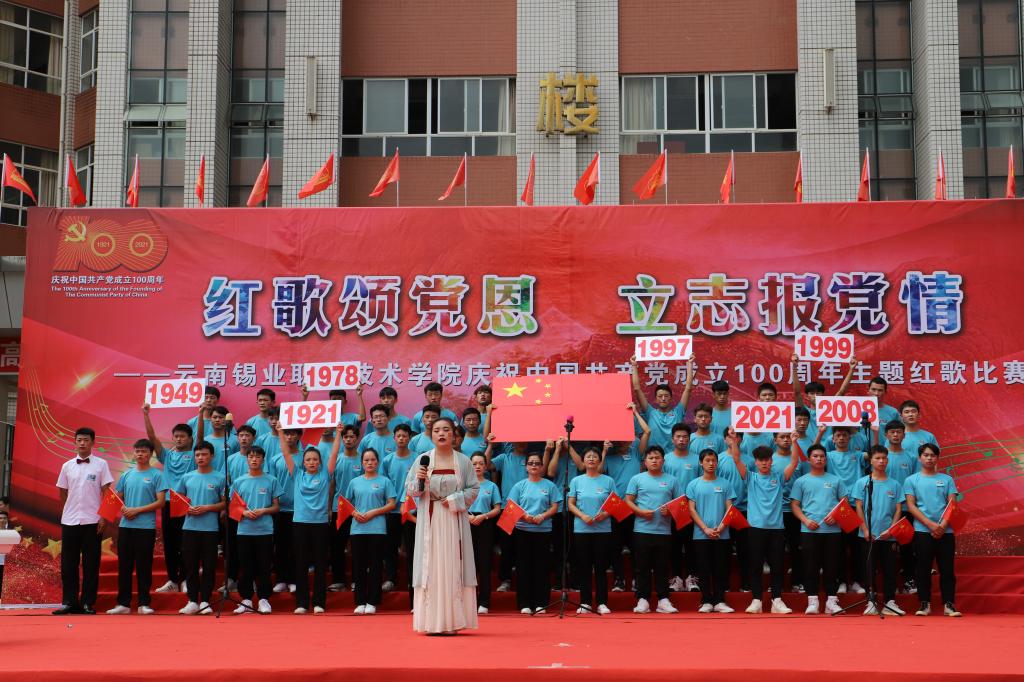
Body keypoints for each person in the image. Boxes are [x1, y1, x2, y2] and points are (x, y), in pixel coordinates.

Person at [407, 418, 480, 633]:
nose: (441, 433)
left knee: (453, 564)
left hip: (453, 519)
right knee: (431, 566)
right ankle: (431, 622)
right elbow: (410, 490)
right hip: (429, 520)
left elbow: (474, 489)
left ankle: (452, 621)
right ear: (431, 435)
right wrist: (419, 480)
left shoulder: (463, 461)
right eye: (437, 430)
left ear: (453, 434)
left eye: (446, 430)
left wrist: (456, 499)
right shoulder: (422, 460)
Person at [53, 427, 113, 615]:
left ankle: (87, 602)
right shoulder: (67, 466)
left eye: (86, 440)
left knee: (91, 564)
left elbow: (107, 492)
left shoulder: (101, 464)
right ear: (75, 441)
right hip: (70, 520)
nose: (82, 443)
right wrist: (68, 510)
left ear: (93, 442)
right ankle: (69, 602)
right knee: (68, 564)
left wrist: (104, 516)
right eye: (79, 440)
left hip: (93, 520)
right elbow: (63, 491)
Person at [107, 439, 165, 615]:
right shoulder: (127, 474)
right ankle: (123, 604)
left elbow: (161, 502)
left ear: (150, 454)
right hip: (126, 526)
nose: (140, 454)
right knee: (124, 565)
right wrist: (123, 508)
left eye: (144, 451)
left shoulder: (157, 475)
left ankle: (143, 603)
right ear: (133, 453)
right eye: (137, 451)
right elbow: (117, 498)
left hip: (146, 527)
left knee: (144, 566)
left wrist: (137, 510)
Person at [903, 443, 961, 617]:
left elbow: (952, 504)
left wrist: (942, 525)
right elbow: (911, 506)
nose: (929, 458)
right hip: (922, 531)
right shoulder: (911, 480)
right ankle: (924, 603)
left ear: (937, 458)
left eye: (933, 455)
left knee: (947, 569)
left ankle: (949, 604)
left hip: (946, 531)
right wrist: (930, 524)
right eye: (926, 455)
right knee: (923, 568)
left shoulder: (947, 479)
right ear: (919, 458)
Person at [625, 446, 683, 614]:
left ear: (663, 461)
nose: (654, 460)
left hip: (664, 531)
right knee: (642, 566)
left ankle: (663, 599)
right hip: (641, 529)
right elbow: (628, 500)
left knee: (662, 566)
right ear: (645, 461)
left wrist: (670, 510)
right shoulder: (637, 479)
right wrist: (640, 512)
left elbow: (680, 503)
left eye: (657, 458)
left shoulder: (672, 480)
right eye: (651, 458)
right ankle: (642, 599)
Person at [744, 440, 800, 614]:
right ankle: (756, 600)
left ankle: (777, 600)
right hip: (755, 528)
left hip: (776, 528)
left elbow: (794, 462)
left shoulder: (779, 477)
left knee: (777, 566)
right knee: (755, 566)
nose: (764, 463)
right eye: (760, 460)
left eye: (767, 459)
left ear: (771, 461)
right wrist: (733, 441)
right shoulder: (750, 477)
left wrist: (794, 442)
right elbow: (736, 459)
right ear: (755, 462)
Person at [279, 433, 331, 614]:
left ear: (320, 462)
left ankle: (319, 602)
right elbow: (286, 453)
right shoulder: (297, 474)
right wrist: (280, 431)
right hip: (300, 523)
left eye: (315, 459)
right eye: (308, 459)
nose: (311, 462)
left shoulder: (325, 474)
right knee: (300, 563)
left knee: (320, 564)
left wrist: (339, 433)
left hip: (320, 524)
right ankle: (301, 603)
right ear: (303, 462)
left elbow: (334, 454)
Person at [790, 443, 845, 615]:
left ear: (826, 460)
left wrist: (836, 515)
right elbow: (795, 505)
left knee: (832, 566)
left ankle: (831, 601)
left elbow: (844, 503)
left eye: (822, 456)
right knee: (810, 566)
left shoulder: (836, 480)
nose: (819, 459)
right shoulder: (801, 481)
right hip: (809, 531)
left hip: (833, 531)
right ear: (809, 459)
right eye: (815, 456)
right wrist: (805, 520)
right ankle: (812, 601)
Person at [145, 405, 194, 593]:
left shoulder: (195, 455)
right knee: (170, 544)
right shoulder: (167, 455)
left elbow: (199, 436)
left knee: (186, 543)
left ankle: (186, 579)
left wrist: (200, 413)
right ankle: (173, 579)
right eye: (176, 436)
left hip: (186, 503)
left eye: (183, 436)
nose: (179, 439)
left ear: (190, 438)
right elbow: (152, 438)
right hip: (167, 502)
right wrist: (146, 414)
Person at [852, 445, 905, 616]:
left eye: (884, 458)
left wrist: (892, 529)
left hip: (889, 535)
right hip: (868, 535)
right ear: (871, 461)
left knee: (890, 569)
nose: (881, 461)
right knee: (869, 569)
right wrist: (865, 529)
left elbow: (898, 509)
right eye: (877, 458)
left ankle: (890, 602)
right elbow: (859, 507)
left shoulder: (895, 484)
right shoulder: (863, 482)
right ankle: (871, 601)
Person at [601, 409, 650, 592]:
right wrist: (604, 451)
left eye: (625, 438)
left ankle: (637, 579)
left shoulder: (636, 452)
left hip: (634, 507)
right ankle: (619, 580)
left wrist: (635, 412)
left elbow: (647, 431)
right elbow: (598, 471)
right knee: (615, 546)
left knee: (636, 546)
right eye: (619, 439)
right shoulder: (609, 457)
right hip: (615, 507)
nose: (623, 441)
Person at [175, 440, 226, 615]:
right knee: (190, 566)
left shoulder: (220, 478)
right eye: (197, 455)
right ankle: (192, 600)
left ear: (212, 456)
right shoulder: (187, 477)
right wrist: (186, 508)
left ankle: (205, 601)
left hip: (210, 529)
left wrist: (207, 508)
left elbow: (225, 503)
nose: (200, 457)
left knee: (209, 566)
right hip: (189, 528)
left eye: (204, 454)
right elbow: (178, 500)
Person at [506, 451, 559, 615]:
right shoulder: (519, 486)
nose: (534, 466)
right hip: (523, 530)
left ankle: (541, 603)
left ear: (542, 466)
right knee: (524, 567)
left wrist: (543, 516)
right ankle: (524, 603)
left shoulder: (549, 485)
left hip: (543, 530)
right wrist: (524, 516)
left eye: (537, 463)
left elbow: (555, 506)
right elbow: (511, 505)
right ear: (526, 466)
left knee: (542, 567)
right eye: (531, 463)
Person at [346, 448, 397, 615]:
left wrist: (374, 512)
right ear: (362, 463)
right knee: (358, 566)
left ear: (378, 462)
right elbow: (345, 503)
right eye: (366, 460)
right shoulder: (354, 482)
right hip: (357, 529)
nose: (369, 463)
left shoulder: (384, 481)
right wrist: (354, 513)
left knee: (375, 565)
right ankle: (360, 601)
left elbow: (392, 504)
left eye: (373, 460)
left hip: (377, 529)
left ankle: (373, 601)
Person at [567, 446, 617, 615]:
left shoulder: (608, 481)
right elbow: (570, 504)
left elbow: (615, 503)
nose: (591, 459)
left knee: (601, 567)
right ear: (583, 460)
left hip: (603, 529)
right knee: (584, 567)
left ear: (599, 460)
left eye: (595, 456)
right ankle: (585, 602)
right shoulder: (576, 481)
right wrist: (582, 516)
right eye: (588, 456)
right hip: (582, 529)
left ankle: (602, 602)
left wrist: (605, 514)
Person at [819, 425, 867, 595]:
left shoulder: (858, 455)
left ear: (850, 437)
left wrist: (874, 432)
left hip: (854, 505)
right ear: (832, 439)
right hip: (836, 506)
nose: (841, 438)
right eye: (838, 435)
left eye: (844, 435)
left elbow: (874, 454)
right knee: (838, 548)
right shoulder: (828, 456)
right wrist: (820, 432)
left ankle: (857, 581)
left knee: (856, 547)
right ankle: (840, 582)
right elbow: (812, 453)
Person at [230, 445, 278, 614]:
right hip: (244, 530)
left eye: (257, 457)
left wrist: (263, 510)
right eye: (251, 457)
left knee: (264, 565)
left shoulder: (271, 480)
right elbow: (233, 506)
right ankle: (246, 599)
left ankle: (264, 599)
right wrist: (244, 512)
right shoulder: (239, 481)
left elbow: (276, 507)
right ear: (247, 459)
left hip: (265, 530)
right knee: (246, 566)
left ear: (263, 460)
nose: (254, 459)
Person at [687, 449, 736, 613]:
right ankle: (706, 600)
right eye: (707, 460)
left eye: (714, 460)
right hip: (701, 534)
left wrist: (721, 527)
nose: (711, 463)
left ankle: (720, 600)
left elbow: (730, 508)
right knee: (704, 568)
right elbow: (692, 510)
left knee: (720, 568)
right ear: (701, 463)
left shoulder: (725, 484)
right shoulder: (693, 484)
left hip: (722, 534)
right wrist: (705, 528)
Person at [881, 420, 919, 593]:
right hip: (883, 508)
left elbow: (916, 482)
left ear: (904, 435)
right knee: (885, 547)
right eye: (892, 432)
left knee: (906, 546)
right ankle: (888, 585)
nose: (895, 435)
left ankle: (909, 580)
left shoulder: (911, 457)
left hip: (905, 509)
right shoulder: (881, 456)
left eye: (898, 432)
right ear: (886, 435)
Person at [630, 356, 696, 451]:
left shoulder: (678, 412)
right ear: (656, 399)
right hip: (653, 457)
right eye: (660, 396)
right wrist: (634, 365)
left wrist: (690, 364)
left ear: (671, 399)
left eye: (666, 396)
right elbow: (637, 389)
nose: (663, 398)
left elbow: (688, 389)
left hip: (673, 457)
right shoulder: (650, 412)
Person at [663, 422, 700, 592]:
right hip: (672, 510)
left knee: (692, 545)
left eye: (685, 437)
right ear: (672, 439)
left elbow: (702, 482)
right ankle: (676, 578)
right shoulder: (666, 459)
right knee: (674, 546)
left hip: (693, 509)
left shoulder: (697, 459)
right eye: (678, 437)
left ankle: (692, 578)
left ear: (689, 439)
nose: (681, 440)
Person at [382, 423, 416, 592]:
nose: (402, 439)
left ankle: (412, 580)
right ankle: (390, 579)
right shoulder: (387, 460)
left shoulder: (417, 458)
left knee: (412, 547)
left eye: (405, 436)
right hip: (392, 511)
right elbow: (383, 484)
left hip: (411, 511)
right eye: (399, 436)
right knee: (390, 547)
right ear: (394, 438)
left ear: (410, 438)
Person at [329, 424, 362, 591]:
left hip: (358, 510)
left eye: (352, 437)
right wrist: (329, 508)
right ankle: (339, 580)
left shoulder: (363, 459)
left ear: (357, 438)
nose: (349, 440)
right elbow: (332, 485)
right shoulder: (336, 459)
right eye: (346, 437)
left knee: (357, 547)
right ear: (342, 439)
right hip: (338, 509)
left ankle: (357, 581)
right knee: (337, 546)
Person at [270, 426, 303, 593]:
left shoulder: (306, 457)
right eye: (286, 433)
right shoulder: (275, 459)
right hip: (280, 510)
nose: (289, 437)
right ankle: (281, 579)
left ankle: (294, 580)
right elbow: (271, 483)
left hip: (300, 510)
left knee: (296, 547)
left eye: (293, 434)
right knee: (280, 546)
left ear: (299, 436)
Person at [467, 452, 501, 614]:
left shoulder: (491, 486)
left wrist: (484, 516)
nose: (478, 466)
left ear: (486, 466)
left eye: (481, 463)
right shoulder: (463, 485)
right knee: (468, 564)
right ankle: (469, 601)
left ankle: (484, 602)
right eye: (474, 464)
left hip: (485, 523)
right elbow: (457, 504)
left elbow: (497, 508)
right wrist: (467, 516)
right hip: (467, 523)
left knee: (485, 563)